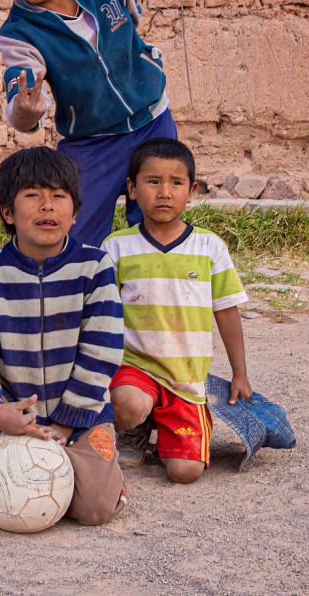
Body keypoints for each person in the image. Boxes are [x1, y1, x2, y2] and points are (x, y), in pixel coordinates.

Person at [0, 147, 128, 526]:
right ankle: (8, 470)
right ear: (8, 212)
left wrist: (66, 425)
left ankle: (90, 473)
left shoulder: (95, 267)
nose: (47, 207)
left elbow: (102, 350)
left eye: (59, 196)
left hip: (80, 419)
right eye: (33, 195)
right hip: (11, 412)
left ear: (75, 212)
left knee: (97, 509)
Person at [0, 0, 177, 247]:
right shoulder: (18, 32)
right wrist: (28, 109)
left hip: (153, 123)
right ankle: (83, 298)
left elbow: (131, 16)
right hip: (90, 143)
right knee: (76, 239)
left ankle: (147, 296)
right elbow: (22, 97)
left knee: (158, 228)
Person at [101, 137, 251, 483]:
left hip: (186, 378)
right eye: (152, 181)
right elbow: (99, 315)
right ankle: (132, 428)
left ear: (191, 190)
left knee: (185, 472)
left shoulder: (210, 247)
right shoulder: (117, 247)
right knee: (126, 403)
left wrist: (239, 374)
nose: (164, 192)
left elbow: (227, 312)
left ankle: (178, 429)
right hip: (135, 367)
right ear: (132, 188)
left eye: (176, 183)